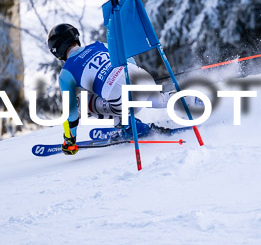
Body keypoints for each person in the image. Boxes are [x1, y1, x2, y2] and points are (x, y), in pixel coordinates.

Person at [47, 23, 172, 155]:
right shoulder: (99, 45)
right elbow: (129, 60)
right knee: (156, 99)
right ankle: (188, 101)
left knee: (81, 102)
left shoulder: (66, 74)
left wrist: (69, 140)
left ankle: (128, 126)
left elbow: (71, 113)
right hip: (145, 78)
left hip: (124, 101)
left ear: (57, 50)